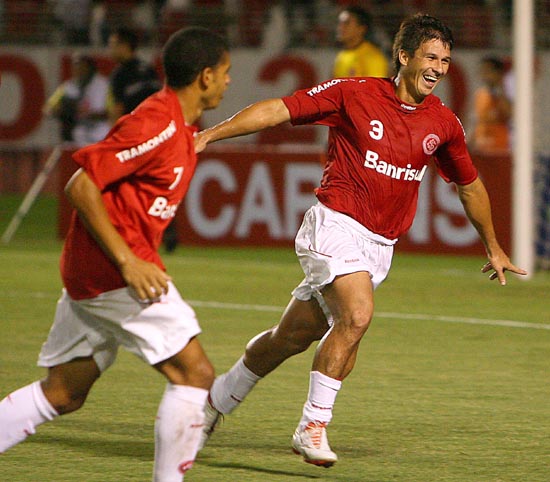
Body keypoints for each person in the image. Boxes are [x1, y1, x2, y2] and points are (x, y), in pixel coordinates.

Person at [194, 13, 527, 468]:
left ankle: (212, 402)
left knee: (291, 337)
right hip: (334, 223)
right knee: (357, 315)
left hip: (378, 247)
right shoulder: (354, 94)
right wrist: (211, 135)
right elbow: (280, 109)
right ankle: (312, 425)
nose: (439, 68)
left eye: (446, 60)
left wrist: (493, 245)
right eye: (431, 57)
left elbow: (469, 186)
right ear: (404, 56)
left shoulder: (444, 123)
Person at [0, 26, 231, 481]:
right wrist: (128, 261)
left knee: (63, 392)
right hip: (113, 274)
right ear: (205, 76)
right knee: (195, 375)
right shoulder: (157, 123)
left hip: (93, 273)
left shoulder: (180, 127)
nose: (227, 81)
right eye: (224, 72)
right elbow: (80, 185)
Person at [43, 53, 110, 147]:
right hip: (76, 135)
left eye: (82, 67)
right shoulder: (68, 87)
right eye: (76, 67)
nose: (78, 70)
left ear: (91, 68)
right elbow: (48, 109)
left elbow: (113, 111)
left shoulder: (104, 85)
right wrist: (61, 111)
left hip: (101, 133)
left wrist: (88, 115)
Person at [107, 26, 162, 124]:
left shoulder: (120, 74)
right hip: (155, 124)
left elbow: (118, 108)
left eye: (113, 45)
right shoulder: (149, 69)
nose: (110, 50)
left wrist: (114, 131)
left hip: (133, 126)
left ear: (124, 46)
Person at [470, 55, 512, 154]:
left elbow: (509, 114)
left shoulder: (508, 92)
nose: (484, 75)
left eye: (488, 71)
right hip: (481, 147)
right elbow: (477, 121)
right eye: (482, 71)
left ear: (498, 73)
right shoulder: (480, 94)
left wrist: (501, 89)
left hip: (500, 148)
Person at [333, 5, 389, 78]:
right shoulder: (341, 56)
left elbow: (376, 85)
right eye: (340, 23)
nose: (340, 28)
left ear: (361, 28)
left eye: (346, 23)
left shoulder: (372, 57)